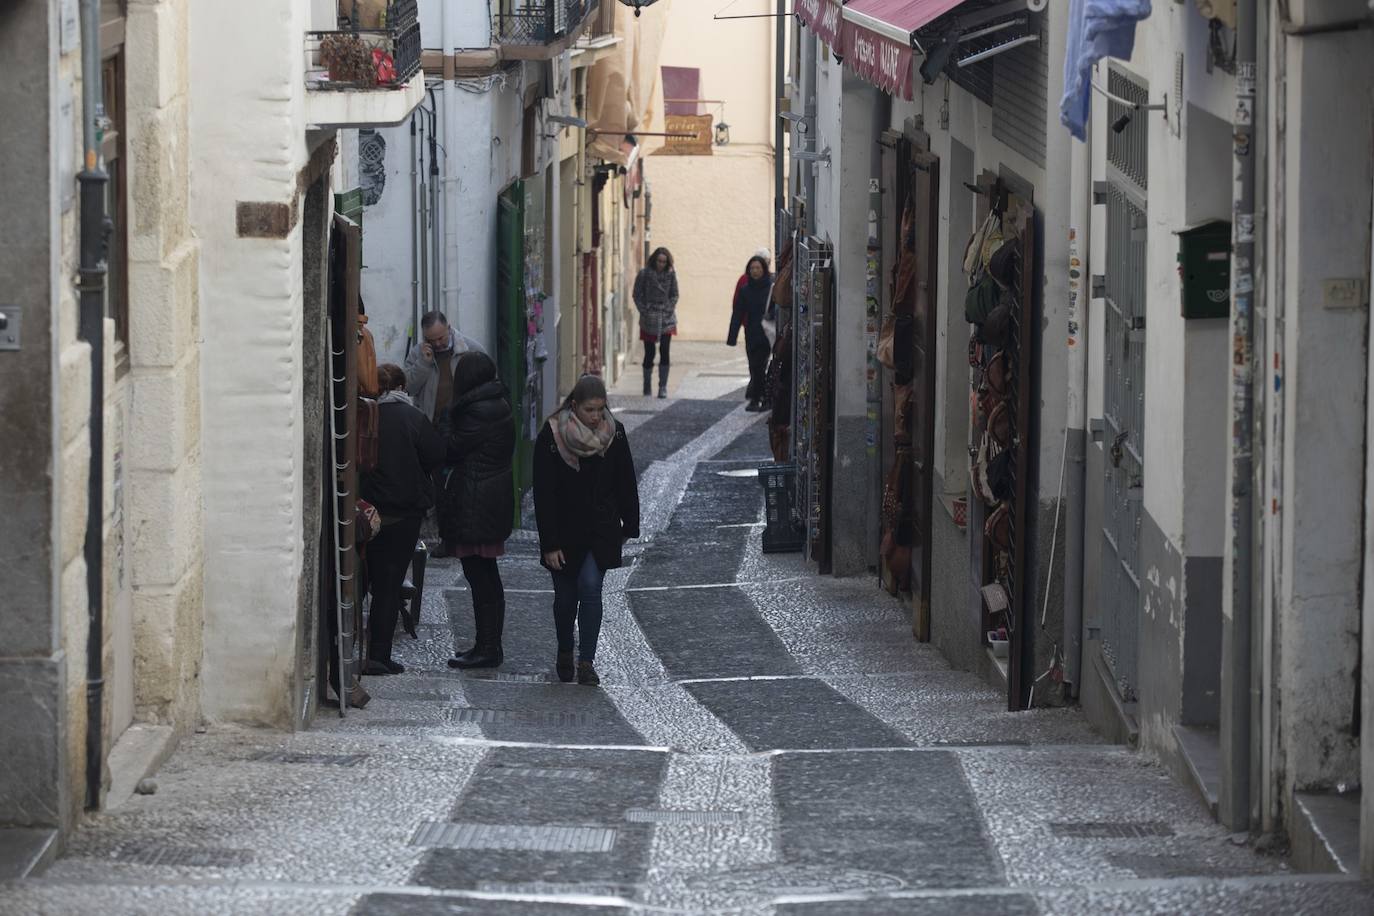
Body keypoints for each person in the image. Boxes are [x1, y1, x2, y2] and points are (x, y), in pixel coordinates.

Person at [533, 375, 640, 686]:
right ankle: (565, 650)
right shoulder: (552, 436)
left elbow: (625, 481)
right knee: (565, 599)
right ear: (575, 406)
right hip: (563, 531)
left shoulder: (614, 434)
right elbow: (544, 492)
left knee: (591, 588)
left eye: (601, 409)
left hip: (600, 529)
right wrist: (549, 543)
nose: (597, 416)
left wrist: (629, 525)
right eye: (590, 410)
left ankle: (586, 662)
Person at [359, 364, 445, 675]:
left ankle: (346, 647)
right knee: (389, 583)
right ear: (402, 388)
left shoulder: (363, 415)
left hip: (366, 510)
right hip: (403, 513)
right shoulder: (411, 417)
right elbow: (436, 453)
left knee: (359, 579)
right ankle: (379, 656)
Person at [441, 352, 516, 670]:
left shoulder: (478, 411)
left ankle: (487, 648)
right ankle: (487, 645)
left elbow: (451, 448)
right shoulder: (496, 404)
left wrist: (445, 418)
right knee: (485, 576)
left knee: (480, 576)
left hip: (476, 501)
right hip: (488, 499)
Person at [402, 310, 486, 431]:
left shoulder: (471, 350)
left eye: (441, 338)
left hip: (465, 426)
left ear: (449, 328)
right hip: (430, 427)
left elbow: (487, 387)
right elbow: (408, 388)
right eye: (430, 340)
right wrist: (423, 364)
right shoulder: (417, 353)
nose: (437, 344)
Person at [728, 255, 774, 412]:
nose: (755, 271)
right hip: (751, 333)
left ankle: (757, 398)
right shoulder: (745, 290)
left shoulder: (770, 288)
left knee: (760, 366)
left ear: (764, 270)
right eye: (752, 268)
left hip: (767, 334)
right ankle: (760, 396)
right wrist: (732, 336)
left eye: (758, 268)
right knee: (754, 366)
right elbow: (738, 313)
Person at [633, 247, 679, 399]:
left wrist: (668, 308)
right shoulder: (644, 274)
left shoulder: (671, 275)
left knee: (665, 350)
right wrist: (644, 310)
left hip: (666, 318)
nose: (661, 264)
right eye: (659, 261)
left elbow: (675, 294)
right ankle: (647, 386)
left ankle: (663, 387)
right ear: (654, 260)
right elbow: (637, 294)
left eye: (664, 262)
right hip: (649, 317)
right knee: (649, 352)